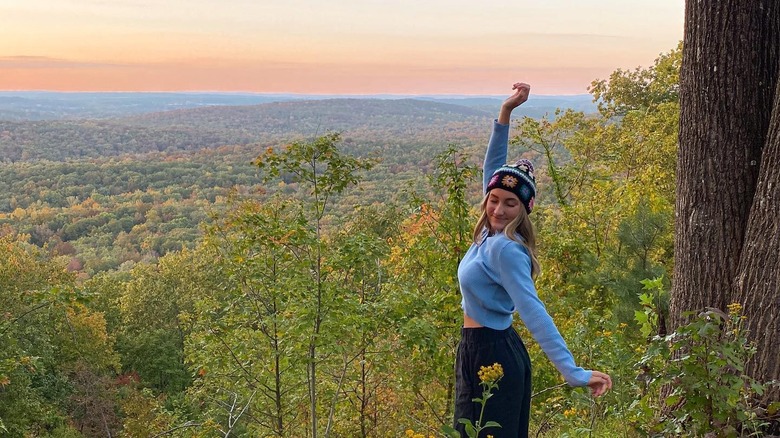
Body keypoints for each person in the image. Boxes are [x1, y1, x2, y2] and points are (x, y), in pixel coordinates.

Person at [454, 82, 612, 437]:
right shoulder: (488, 234)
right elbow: (493, 170)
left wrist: (572, 371)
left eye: (510, 203)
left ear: (524, 210)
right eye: (494, 199)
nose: (498, 207)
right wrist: (506, 112)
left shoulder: (504, 249)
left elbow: (532, 309)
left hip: (492, 355)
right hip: (479, 350)